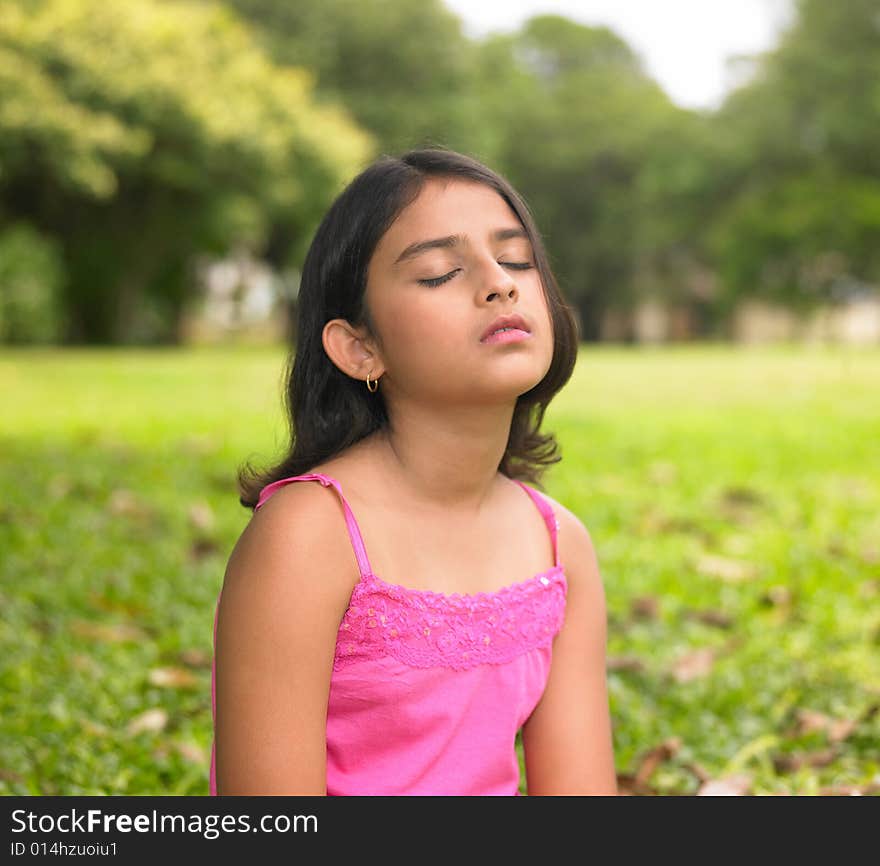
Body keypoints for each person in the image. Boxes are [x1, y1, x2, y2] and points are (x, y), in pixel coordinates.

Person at [209, 147, 617, 796]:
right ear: (360, 347)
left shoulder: (558, 543)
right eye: (438, 272)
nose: (500, 282)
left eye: (515, 259)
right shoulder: (309, 536)